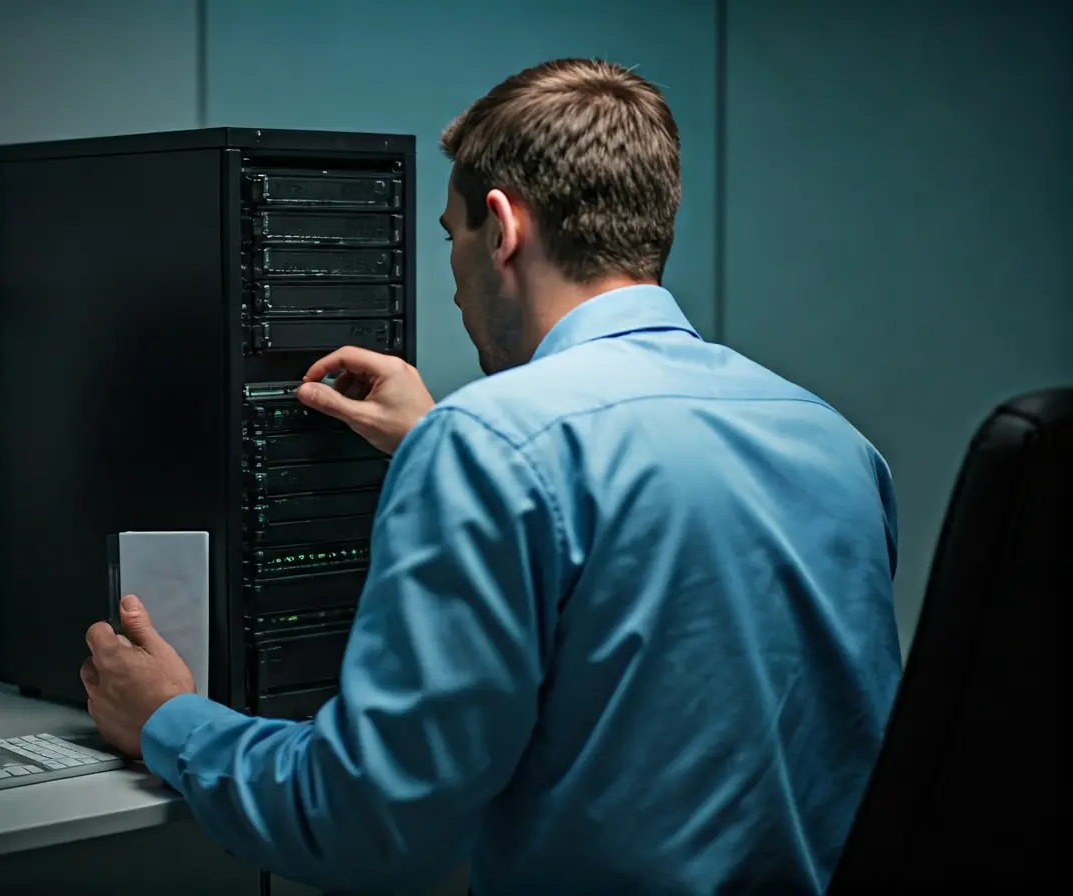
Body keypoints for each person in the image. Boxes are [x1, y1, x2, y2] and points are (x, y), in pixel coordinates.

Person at [81, 58, 903, 894]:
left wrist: (166, 720)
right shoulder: (833, 442)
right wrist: (448, 449)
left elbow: (362, 824)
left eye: (451, 236)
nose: (452, 281)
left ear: (503, 227)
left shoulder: (491, 446)